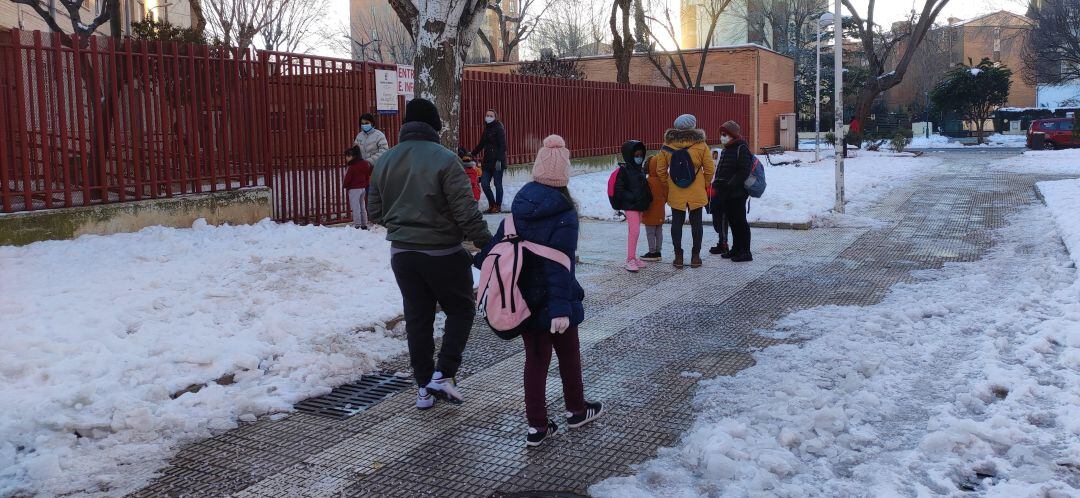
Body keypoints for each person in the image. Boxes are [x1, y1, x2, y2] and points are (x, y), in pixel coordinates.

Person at [475, 134, 602, 447]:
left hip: (523, 299)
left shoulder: (520, 206)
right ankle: (576, 410)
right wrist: (560, 309)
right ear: (564, 174)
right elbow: (561, 266)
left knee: (535, 361)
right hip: (554, 302)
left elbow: (492, 251)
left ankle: (537, 427)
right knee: (569, 356)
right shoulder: (564, 212)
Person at [367, 98, 493, 409]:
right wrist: (486, 244)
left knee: (418, 318)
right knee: (462, 309)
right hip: (443, 253)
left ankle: (423, 387)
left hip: (403, 255)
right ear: (435, 126)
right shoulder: (445, 159)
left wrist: (402, 225)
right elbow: (465, 212)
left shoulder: (385, 160)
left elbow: (374, 211)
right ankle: (444, 373)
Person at [655, 114, 713, 269]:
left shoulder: (667, 145)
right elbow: (709, 168)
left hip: (676, 191)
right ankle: (695, 256)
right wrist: (704, 184)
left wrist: (668, 186)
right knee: (696, 224)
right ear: (693, 126)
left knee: (676, 224)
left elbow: (660, 170)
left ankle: (678, 257)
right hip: (696, 191)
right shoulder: (701, 145)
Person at [712, 120, 754, 262]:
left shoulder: (741, 148)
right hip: (726, 193)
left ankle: (745, 251)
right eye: (721, 134)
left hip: (737, 193)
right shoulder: (726, 149)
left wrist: (730, 184)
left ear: (732, 135)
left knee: (740, 222)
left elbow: (744, 171)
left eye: (724, 134)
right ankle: (736, 249)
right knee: (733, 222)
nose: (722, 137)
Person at [611, 140, 652, 272]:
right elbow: (619, 189)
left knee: (635, 232)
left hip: (639, 205)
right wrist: (632, 198)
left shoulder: (639, 169)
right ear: (630, 155)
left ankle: (633, 257)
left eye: (641, 155)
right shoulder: (624, 171)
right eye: (636, 155)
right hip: (631, 206)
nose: (639, 157)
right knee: (634, 232)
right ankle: (629, 259)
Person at [472, 109, 508, 213]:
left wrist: (499, 160)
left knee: (497, 184)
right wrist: (472, 154)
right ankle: (492, 204)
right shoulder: (486, 129)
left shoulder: (499, 128)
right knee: (484, 184)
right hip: (487, 162)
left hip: (497, 162)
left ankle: (498, 206)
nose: (488, 117)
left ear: (495, 117)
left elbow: (503, 146)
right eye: (487, 115)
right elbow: (481, 144)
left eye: (491, 115)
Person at [640, 154, 668, 262]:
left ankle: (652, 252)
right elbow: (666, 195)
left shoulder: (648, 181)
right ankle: (658, 251)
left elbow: (644, 195)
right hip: (660, 211)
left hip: (649, 211)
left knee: (650, 233)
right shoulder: (663, 181)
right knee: (659, 231)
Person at [342, 145, 373, 230]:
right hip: (363, 188)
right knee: (362, 206)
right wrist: (366, 184)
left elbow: (347, 179)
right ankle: (364, 224)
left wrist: (345, 185)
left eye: (347, 156)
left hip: (354, 189)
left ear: (352, 156)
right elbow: (368, 175)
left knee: (356, 207)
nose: (346, 158)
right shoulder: (364, 163)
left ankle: (357, 225)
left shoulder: (352, 167)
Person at [708, 147, 731, 255]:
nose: (714, 158)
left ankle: (724, 244)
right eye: (713, 156)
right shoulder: (710, 169)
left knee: (722, 222)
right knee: (716, 223)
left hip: (721, 199)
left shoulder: (723, 168)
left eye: (716, 156)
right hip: (712, 199)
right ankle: (721, 242)